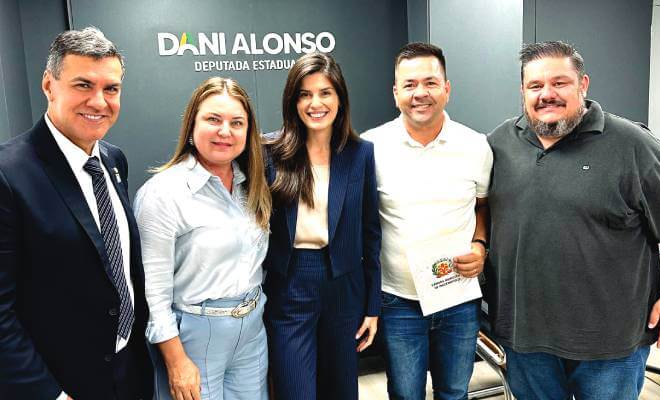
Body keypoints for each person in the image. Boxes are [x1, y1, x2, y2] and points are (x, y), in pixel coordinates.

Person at [486, 41, 660, 400]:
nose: (546, 94)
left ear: (583, 84)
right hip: (524, 337)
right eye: (535, 86)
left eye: (560, 83)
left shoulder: (635, 147)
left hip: (609, 344)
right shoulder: (499, 144)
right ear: (522, 91)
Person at [0, 27, 153, 400]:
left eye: (111, 89)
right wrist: (49, 394)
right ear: (49, 86)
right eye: (83, 85)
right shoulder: (8, 174)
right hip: (60, 383)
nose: (99, 101)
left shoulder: (113, 160)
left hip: (127, 371)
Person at [362, 42, 493, 400]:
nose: (420, 93)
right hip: (398, 300)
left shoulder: (476, 146)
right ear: (395, 93)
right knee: (406, 394)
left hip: (459, 296)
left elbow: (483, 207)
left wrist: (480, 246)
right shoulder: (370, 147)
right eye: (409, 84)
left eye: (431, 83)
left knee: (454, 391)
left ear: (447, 89)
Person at [134, 77, 272, 400]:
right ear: (192, 123)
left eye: (237, 123)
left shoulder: (250, 184)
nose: (225, 131)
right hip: (195, 336)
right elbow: (153, 294)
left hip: (252, 330)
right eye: (213, 119)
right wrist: (176, 360)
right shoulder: (163, 193)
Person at [263, 52, 381, 400]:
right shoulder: (269, 151)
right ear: (293, 101)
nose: (315, 103)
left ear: (340, 98)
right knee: (295, 389)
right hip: (290, 284)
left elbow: (371, 234)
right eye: (305, 94)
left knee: (341, 391)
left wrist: (372, 306)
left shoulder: (360, 153)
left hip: (344, 286)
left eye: (325, 92)